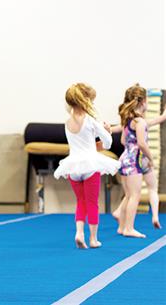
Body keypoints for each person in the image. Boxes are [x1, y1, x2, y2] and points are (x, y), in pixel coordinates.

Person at [54, 83, 119, 249]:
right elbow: (108, 144)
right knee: (92, 203)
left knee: (80, 201)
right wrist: (108, 130)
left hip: (73, 167)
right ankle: (93, 239)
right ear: (86, 101)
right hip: (90, 165)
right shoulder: (90, 121)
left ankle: (79, 233)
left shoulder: (67, 122)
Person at [114, 84, 164, 238]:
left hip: (125, 159)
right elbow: (142, 144)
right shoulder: (140, 122)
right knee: (134, 195)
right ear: (143, 102)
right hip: (134, 161)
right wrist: (150, 157)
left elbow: (123, 140)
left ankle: (122, 227)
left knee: (128, 195)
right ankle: (129, 228)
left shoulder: (129, 120)